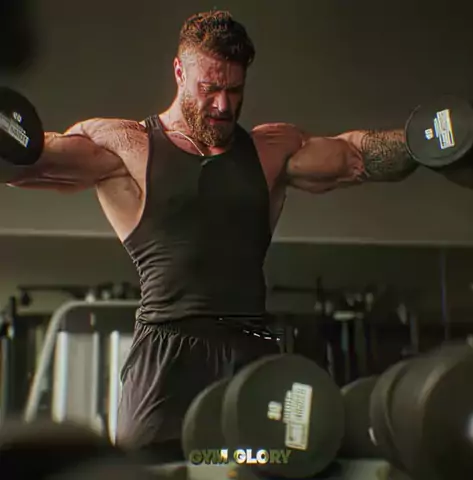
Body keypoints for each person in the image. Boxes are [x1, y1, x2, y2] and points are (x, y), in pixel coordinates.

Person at [4, 10, 420, 460]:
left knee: (265, 470)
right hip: (165, 356)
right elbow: (32, 160)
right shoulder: (127, 146)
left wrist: (430, 141)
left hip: (250, 350)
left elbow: (355, 158)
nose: (223, 105)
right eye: (210, 88)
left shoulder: (269, 151)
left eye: (234, 90)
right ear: (179, 72)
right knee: (151, 469)